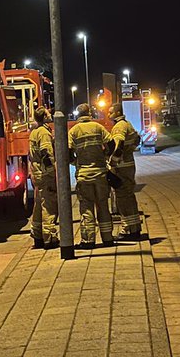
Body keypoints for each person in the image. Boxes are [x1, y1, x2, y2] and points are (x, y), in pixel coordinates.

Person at [68, 102, 113, 248]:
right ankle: (107, 238)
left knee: (86, 207)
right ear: (90, 113)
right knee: (103, 205)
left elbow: (67, 152)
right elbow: (111, 144)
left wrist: (74, 161)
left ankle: (88, 241)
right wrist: (105, 155)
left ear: (78, 114)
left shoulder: (74, 131)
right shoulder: (98, 127)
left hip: (84, 175)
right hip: (100, 173)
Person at [109, 103, 142, 240]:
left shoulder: (119, 127)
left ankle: (127, 229)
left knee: (122, 199)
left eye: (111, 112)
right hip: (129, 166)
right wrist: (130, 151)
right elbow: (137, 139)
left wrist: (113, 163)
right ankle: (134, 228)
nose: (109, 114)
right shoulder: (128, 124)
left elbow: (119, 145)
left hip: (121, 168)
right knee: (129, 196)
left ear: (117, 113)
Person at [28, 107, 59, 249]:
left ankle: (38, 235)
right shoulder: (43, 133)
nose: (50, 114)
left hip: (37, 172)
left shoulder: (34, 132)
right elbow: (46, 153)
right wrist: (51, 172)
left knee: (39, 204)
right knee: (49, 205)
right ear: (44, 117)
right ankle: (50, 237)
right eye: (48, 113)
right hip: (45, 174)